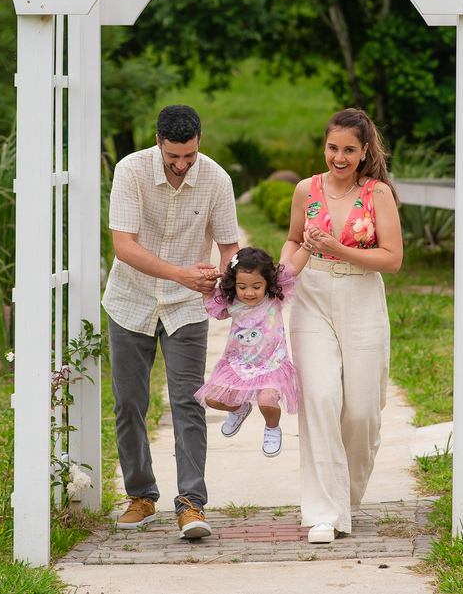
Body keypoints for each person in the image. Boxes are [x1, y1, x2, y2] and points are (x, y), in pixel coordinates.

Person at [103, 105, 239, 538]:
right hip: (130, 299)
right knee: (129, 402)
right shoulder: (130, 170)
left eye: (190, 156)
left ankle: (191, 504)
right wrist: (181, 273)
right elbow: (123, 247)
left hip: (187, 306)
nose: (181, 165)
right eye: (173, 157)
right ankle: (141, 496)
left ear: (199, 142)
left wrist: (228, 287)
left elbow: (228, 244)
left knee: (187, 401)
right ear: (159, 142)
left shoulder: (216, 179)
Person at [282, 108, 403, 544]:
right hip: (312, 296)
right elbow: (295, 240)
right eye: (333, 147)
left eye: (349, 149)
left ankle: (344, 499)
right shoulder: (304, 189)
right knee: (320, 398)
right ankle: (322, 512)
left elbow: (392, 258)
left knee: (363, 410)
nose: (339, 156)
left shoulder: (378, 194)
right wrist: (284, 269)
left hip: (361, 298)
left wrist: (339, 248)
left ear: (364, 151)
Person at [195, 244, 309, 457]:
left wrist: (308, 246)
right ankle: (239, 409)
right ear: (234, 285)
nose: (249, 293)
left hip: (271, 364)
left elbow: (293, 267)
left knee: (267, 402)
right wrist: (206, 288)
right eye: (242, 287)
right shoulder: (232, 302)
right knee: (211, 398)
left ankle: (272, 428)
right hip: (239, 364)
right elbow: (213, 309)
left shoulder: (274, 297)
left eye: (257, 286)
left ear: (268, 283)